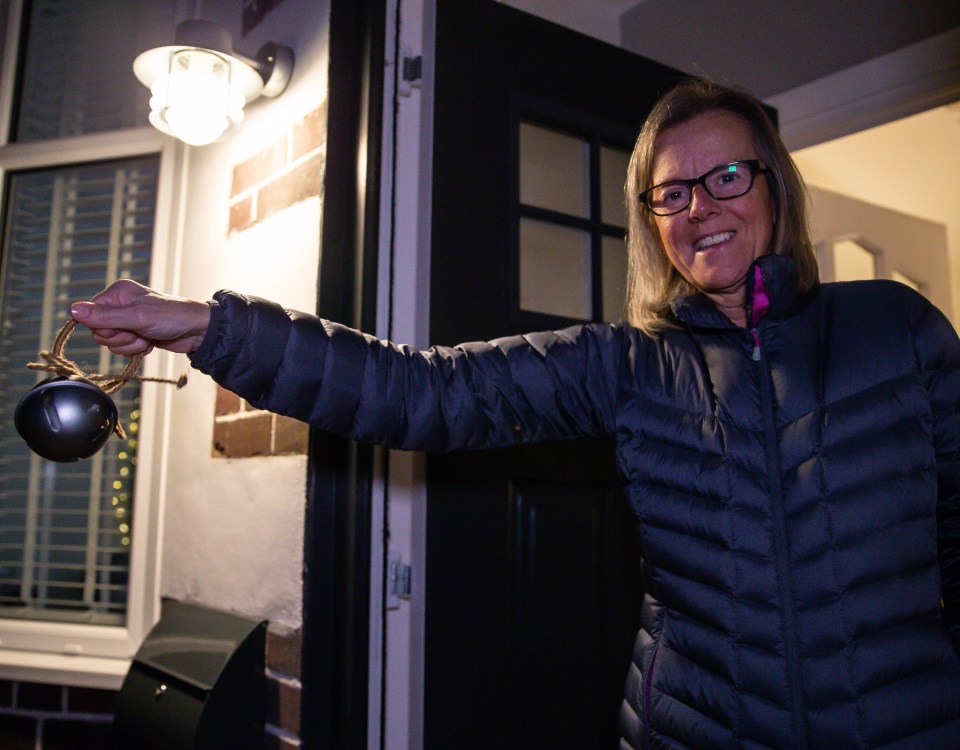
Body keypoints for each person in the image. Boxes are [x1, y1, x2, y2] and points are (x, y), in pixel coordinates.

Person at [70, 79, 960, 749]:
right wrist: (210, 326)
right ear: (652, 223)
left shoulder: (898, 329)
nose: (701, 209)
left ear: (775, 185)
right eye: (671, 193)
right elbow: (423, 393)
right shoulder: (632, 366)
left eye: (727, 175)